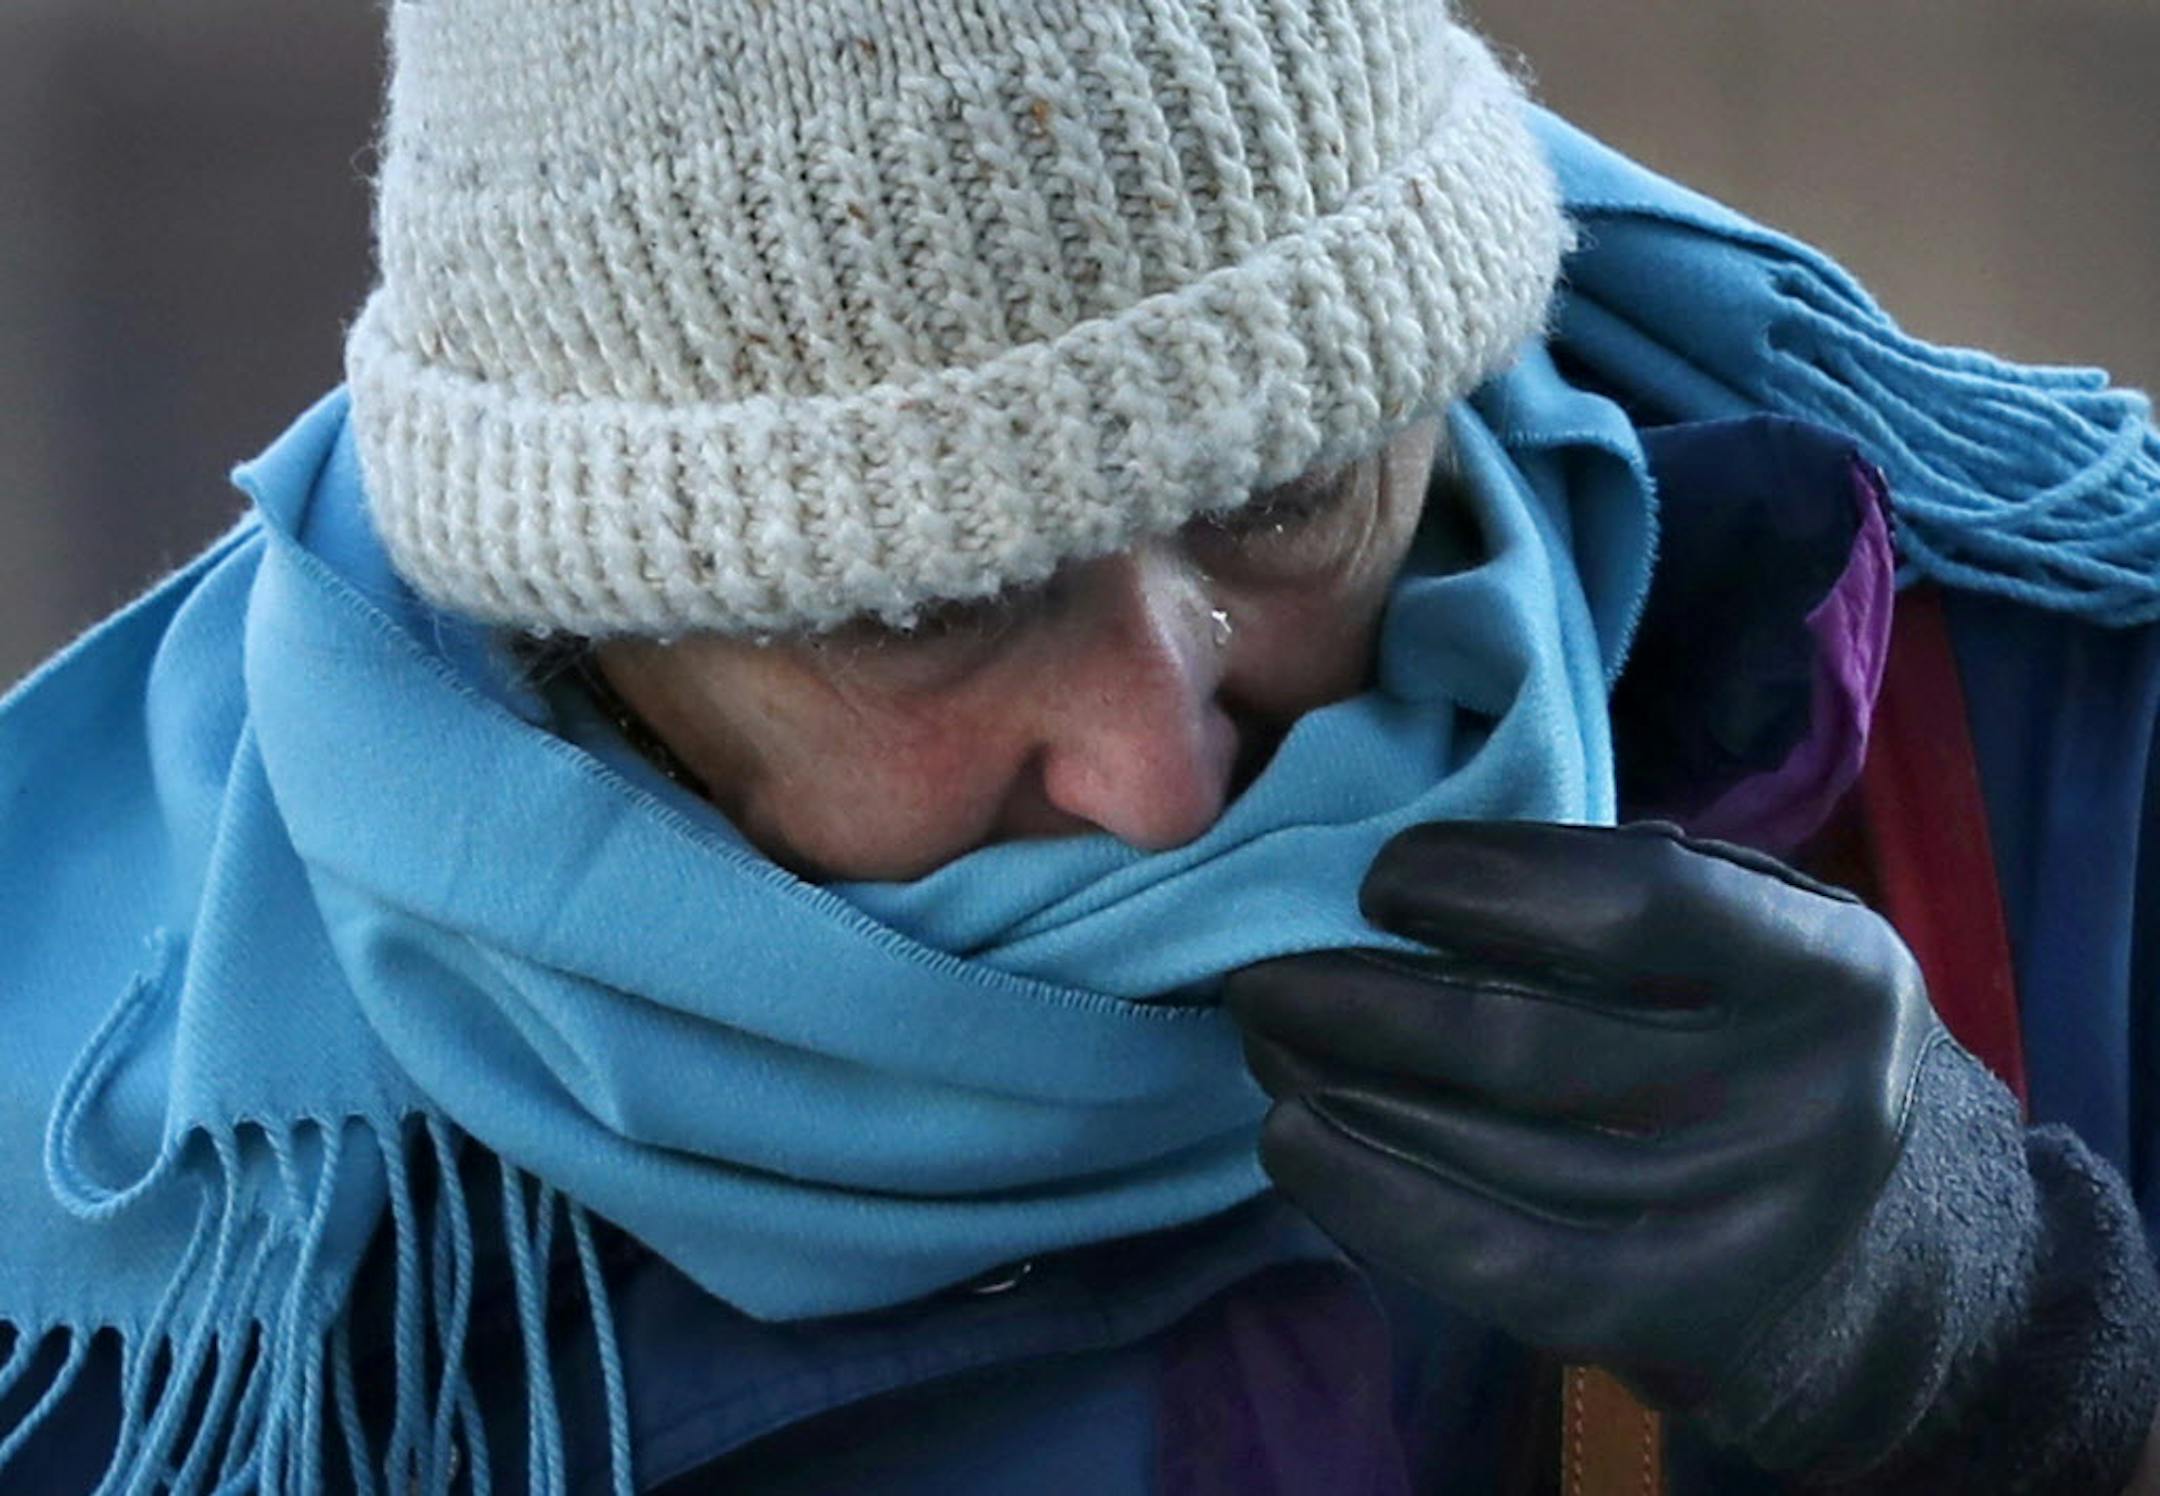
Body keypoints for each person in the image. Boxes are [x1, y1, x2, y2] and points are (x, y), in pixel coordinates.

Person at [1, 2, 2155, 1491]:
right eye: (922, 605)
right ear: (577, 617)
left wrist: (2040, 1358)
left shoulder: (2048, 721)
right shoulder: (161, 1299)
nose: (1168, 771)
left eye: (1289, 488)